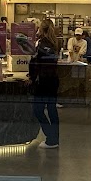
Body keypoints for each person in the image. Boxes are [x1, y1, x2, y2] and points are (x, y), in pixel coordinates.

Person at [28, 19, 60, 149]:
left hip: (42, 81)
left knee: (38, 110)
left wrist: (31, 77)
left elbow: (35, 63)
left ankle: (50, 137)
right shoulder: (55, 43)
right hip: (53, 80)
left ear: (42, 29)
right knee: (52, 109)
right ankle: (55, 138)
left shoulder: (40, 44)